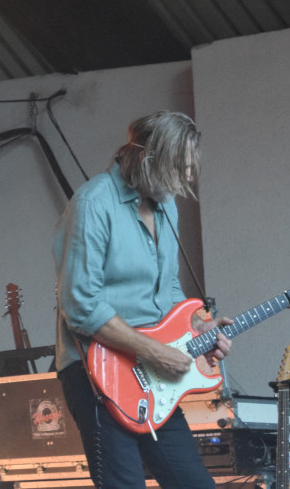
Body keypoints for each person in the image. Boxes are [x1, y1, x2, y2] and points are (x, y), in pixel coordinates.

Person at [53, 111, 232, 488]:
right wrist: (154, 351)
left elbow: (167, 289)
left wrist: (197, 327)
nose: (186, 179)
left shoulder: (166, 205)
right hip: (97, 372)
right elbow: (81, 307)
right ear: (149, 159)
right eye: (179, 168)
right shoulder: (93, 204)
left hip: (153, 377)